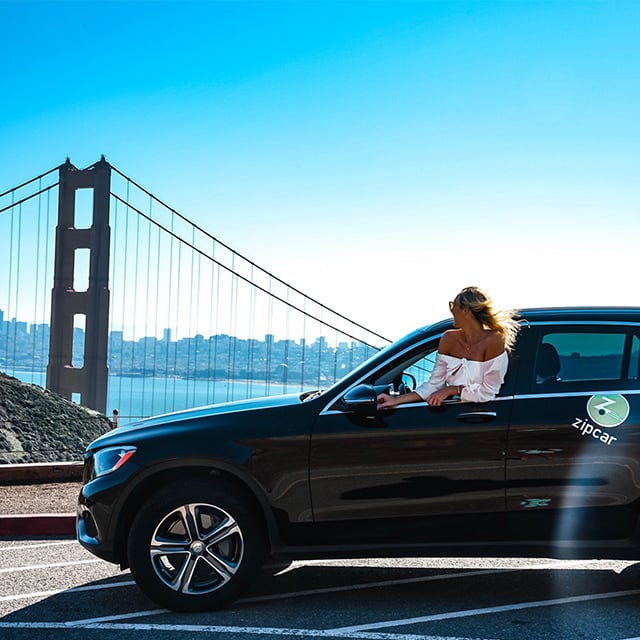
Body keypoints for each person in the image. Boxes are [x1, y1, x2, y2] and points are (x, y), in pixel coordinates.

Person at [377, 286, 519, 409]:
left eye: (453, 305)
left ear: (466, 310)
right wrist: (395, 400)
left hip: (481, 420)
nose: (451, 310)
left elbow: (488, 393)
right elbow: (434, 385)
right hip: (449, 415)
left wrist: (453, 390)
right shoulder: (449, 339)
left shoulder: (493, 340)